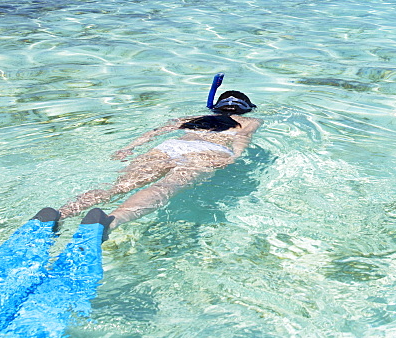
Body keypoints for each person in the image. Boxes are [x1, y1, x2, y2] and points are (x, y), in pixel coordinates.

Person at [58, 89, 262, 234]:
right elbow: (243, 137)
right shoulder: (250, 121)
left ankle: (62, 214)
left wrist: (129, 148)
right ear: (247, 109)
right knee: (164, 187)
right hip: (208, 152)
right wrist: (235, 156)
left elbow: (156, 132)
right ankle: (110, 222)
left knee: (118, 187)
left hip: (169, 147)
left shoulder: (193, 117)